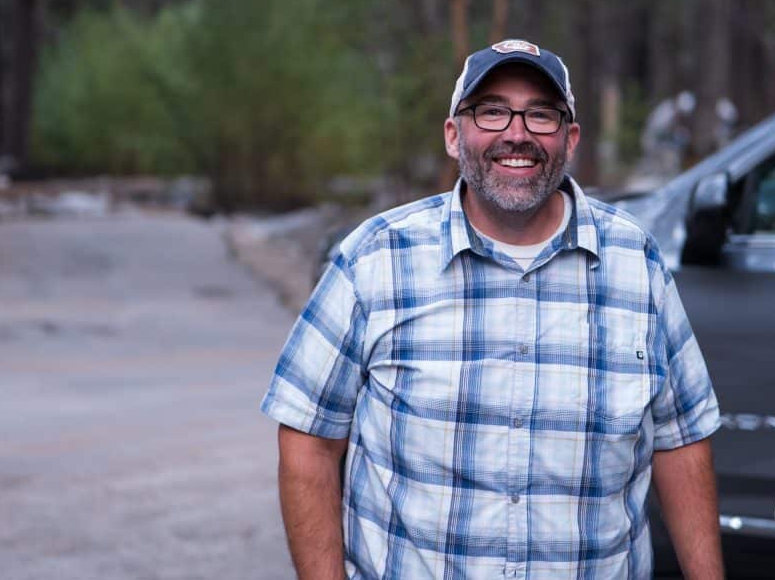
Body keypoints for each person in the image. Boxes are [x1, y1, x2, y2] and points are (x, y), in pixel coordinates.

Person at [261, 39, 723, 579]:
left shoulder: (635, 262)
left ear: (569, 138)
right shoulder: (375, 258)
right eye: (492, 110)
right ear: (454, 135)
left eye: (542, 115)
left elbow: (682, 442)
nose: (517, 133)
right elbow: (309, 441)